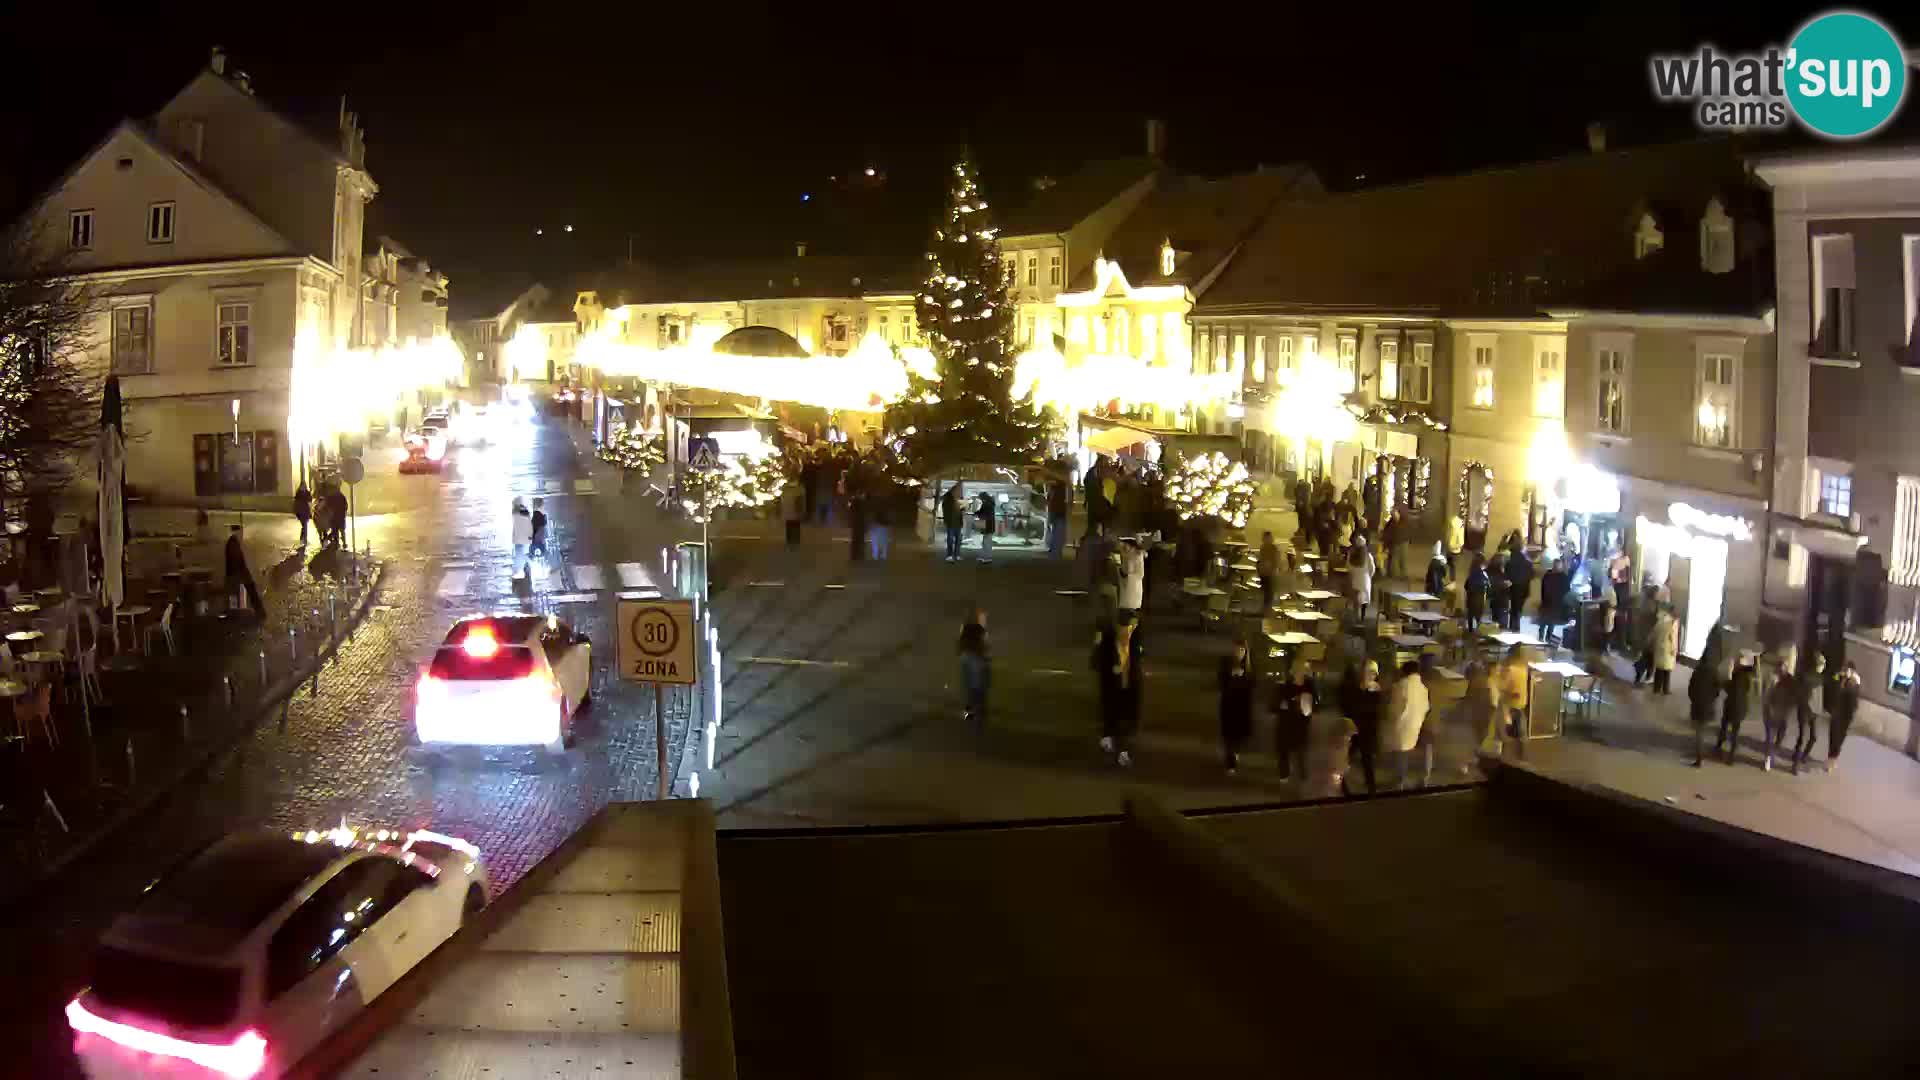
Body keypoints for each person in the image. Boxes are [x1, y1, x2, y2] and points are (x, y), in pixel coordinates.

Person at [1094, 615, 1144, 767]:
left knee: (1127, 722)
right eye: (1126, 629)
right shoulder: (1108, 643)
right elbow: (1098, 663)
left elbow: (1138, 659)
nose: (1127, 632)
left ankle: (1123, 750)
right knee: (1112, 719)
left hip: (1129, 688)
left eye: (1131, 629)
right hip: (1113, 689)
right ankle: (1112, 743)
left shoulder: (1134, 641)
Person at [1382, 659, 1429, 789]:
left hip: (1401, 726)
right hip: (1415, 725)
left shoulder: (1400, 686)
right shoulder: (1423, 688)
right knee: (1406, 753)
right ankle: (1401, 780)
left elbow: (1394, 710)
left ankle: (1399, 782)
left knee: (1401, 755)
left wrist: (1389, 720)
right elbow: (1426, 707)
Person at [1339, 659, 1384, 795]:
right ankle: (1342, 784)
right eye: (1367, 672)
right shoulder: (1352, 688)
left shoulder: (1376, 690)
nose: (1369, 675)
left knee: (1367, 760)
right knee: (1344, 759)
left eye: (1372, 673)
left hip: (1367, 731)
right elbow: (1347, 708)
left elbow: (1375, 712)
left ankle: (1371, 788)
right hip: (1352, 730)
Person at [1271, 656, 1315, 781]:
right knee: (1284, 750)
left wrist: (1308, 705)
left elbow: (1315, 704)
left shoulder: (1309, 686)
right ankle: (1284, 773)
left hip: (1301, 725)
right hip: (1285, 724)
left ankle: (1303, 775)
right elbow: (1274, 706)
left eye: (1304, 670)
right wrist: (1284, 704)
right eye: (1299, 670)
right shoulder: (1284, 686)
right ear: (1293, 671)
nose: (1301, 673)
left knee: (1301, 751)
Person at [1217, 634, 1256, 774]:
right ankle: (1230, 763)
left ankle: (1235, 753)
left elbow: (1252, 685)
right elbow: (1220, 684)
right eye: (1237, 650)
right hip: (1228, 706)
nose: (1239, 653)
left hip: (1242, 707)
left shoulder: (1249, 667)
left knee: (1238, 736)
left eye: (1242, 650)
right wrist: (1232, 676)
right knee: (1228, 736)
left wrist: (1244, 678)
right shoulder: (1225, 663)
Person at [1687, 651, 1725, 767]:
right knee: (1702, 731)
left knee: (1699, 731)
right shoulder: (1714, 672)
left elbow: (1691, 688)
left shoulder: (1697, 670)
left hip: (1697, 705)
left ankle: (1699, 756)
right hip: (1708, 706)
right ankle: (1700, 754)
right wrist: (1712, 698)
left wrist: (1694, 699)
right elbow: (1718, 689)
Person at [1792, 651, 1827, 774]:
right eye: (1823, 664)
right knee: (1802, 738)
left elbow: (1818, 695)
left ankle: (1802, 757)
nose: (1824, 666)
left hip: (1814, 712)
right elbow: (1802, 694)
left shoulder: (1820, 678)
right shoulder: (1807, 677)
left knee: (1813, 737)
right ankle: (1795, 764)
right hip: (1805, 711)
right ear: (1819, 664)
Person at [1717, 655, 1756, 764]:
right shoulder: (1747, 678)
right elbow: (1747, 691)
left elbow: (1727, 687)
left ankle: (1719, 745)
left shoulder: (1735, 676)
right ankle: (1731, 756)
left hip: (1731, 706)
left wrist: (1726, 679)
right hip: (1741, 707)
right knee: (1735, 731)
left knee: (1724, 726)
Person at [958, 608, 991, 733]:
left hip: (966, 658)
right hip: (975, 659)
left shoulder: (965, 626)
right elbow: (984, 644)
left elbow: (961, 641)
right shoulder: (979, 629)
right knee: (978, 688)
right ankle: (980, 717)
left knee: (969, 689)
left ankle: (969, 717)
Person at [1496, 644, 1532, 758]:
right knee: (1521, 734)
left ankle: (1506, 758)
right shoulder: (1523, 668)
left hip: (1510, 706)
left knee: (1506, 734)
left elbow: (1502, 687)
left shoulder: (1512, 670)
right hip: (1519, 705)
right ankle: (1521, 757)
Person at [1826, 659, 1862, 771]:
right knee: (1832, 737)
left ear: (1852, 671)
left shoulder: (1854, 684)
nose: (1845, 671)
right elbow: (1832, 684)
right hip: (1836, 713)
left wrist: (1851, 683)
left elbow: (1853, 703)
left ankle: (1833, 759)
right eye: (1845, 668)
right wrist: (1838, 677)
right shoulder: (1840, 679)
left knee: (1839, 739)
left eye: (1848, 669)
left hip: (1845, 717)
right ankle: (1830, 758)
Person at [1763, 655, 1796, 772]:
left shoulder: (1790, 679)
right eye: (1782, 666)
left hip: (1783, 713)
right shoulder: (1772, 678)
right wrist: (1768, 708)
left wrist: (1790, 708)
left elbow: (1793, 696)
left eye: (1785, 666)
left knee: (1781, 736)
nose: (1783, 668)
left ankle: (1773, 752)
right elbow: (1766, 695)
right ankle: (1768, 758)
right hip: (1771, 712)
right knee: (1770, 737)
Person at [224, 524, 263, 615]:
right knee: (240, 597)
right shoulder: (235, 543)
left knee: (240, 598)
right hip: (236, 576)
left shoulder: (233, 542)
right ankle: (257, 612)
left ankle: (256, 612)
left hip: (236, 576)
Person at [1538, 558, 1569, 645]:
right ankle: (1548, 638)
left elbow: (1543, 588)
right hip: (1555, 602)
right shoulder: (1564, 577)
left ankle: (1541, 637)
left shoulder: (1547, 575)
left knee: (1544, 621)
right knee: (1551, 621)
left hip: (1548, 601)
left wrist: (1543, 599)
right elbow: (1566, 591)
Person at [1649, 605, 1679, 695]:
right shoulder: (1672, 622)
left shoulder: (1661, 620)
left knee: (1659, 669)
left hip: (1659, 647)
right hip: (1668, 649)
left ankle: (1656, 688)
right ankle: (1666, 689)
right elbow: (1673, 637)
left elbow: (1654, 632)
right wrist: (1674, 650)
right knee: (1667, 670)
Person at [1504, 545, 1532, 633]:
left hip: (1513, 588)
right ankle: (1516, 626)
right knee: (1519, 608)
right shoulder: (1528, 563)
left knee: (1513, 607)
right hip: (1524, 588)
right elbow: (1530, 576)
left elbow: (1507, 576)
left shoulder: (1509, 563)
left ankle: (1513, 626)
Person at [1349, 536, 1376, 625]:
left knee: (1356, 601)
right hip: (1365, 580)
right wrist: (1369, 576)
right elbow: (1372, 568)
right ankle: (1362, 618)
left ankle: (1355, 618)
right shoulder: (1368, 556)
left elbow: (1348, 567)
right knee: (1364, 601)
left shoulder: (1351, 555)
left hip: (1355, 579)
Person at [1117, 538, 1145, 618]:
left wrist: (1128, 576)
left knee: (1131, 607)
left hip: (1134, 586)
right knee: (1124, 608)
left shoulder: (1137, 554)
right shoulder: (1124, 554)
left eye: (1126, 545)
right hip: (1125, 586)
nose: (1125, 547)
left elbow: (1140, 573)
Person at [1464, 553, 1490, 632]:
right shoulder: (1483, 574)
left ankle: (1470, 630)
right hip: (1480, 598)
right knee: (1478, 616)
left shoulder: (1471, 573)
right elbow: (1488, 586)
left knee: (1470, 615)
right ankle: (1478, 630)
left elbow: (1466, 586)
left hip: (1471, 597)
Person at [1256, 531, 1282, 612]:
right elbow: (1261, 560)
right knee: (1266, 591)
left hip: (1269, 573)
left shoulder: (1271, 548)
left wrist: (1274, 568)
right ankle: (1266, 608)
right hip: (1265, 573)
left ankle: (1267, 608)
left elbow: (1275, 560)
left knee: (1268, 591)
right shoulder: (1264, 547)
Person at [510, 498, 534, 580]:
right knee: (522, 554)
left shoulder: (515, 512)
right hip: (524, 539)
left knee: (520, 554)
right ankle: (529, 565)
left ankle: (527, 565)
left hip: (519, 539)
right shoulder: (524, 513)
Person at [1046, 477, 1069, 559]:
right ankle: (1055, 551)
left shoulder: (1057, 485)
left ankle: (1054, 550)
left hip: (1056, 510)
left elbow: (1049, 498)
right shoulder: (1060, 484)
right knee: (1058, 531)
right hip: (1058, 511)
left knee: (1056, 531)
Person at [940, 483, 964, 562]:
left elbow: (962, 509)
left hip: (958, 522)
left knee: (958, 539)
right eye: (959, 490)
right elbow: (945, 509)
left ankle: (957, 555)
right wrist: (946, 520)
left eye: (960, 490)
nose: (960, 491)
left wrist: (963, 508)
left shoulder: (960, 497)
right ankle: (949, 555)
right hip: (951, 521)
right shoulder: (948, 498)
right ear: (954, 490)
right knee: (950, 539)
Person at [867, 486, 891, 561]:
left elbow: (871, 513)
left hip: (876, 523)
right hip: (884, 524)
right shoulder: (887, 502)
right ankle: (884, 555)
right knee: (884, 540)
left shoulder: (873, 502)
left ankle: (875, 555)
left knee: (875, 540)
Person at [974, 487, 996, 564]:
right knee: (986, 541)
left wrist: (975, 512)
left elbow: (979, 511)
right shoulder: (990, 503)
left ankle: (988, 557)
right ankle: (985, 556)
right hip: (989, 524)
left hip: (986, 524)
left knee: (986, 541)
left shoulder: (986, 504)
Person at [292, 482, 313, 548]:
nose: (304, 487)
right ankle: (304, 540)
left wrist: (310, 511)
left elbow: (310, 502)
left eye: (304, 486)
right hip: (300, 512)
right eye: (303, 486)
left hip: (306, 511)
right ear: (301, 486)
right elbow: (295, 503)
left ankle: (303, 539)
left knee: (304, 526)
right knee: (304, 525)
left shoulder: (307, 493)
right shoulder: (298, 493)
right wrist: (296, 511)